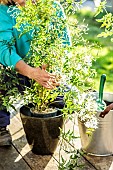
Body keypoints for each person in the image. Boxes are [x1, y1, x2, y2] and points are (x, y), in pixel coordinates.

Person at [0, 0, 71, 146]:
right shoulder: (4, 10)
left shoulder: (52, 6)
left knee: (64, 101)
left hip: (45, 73)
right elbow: (4, 49)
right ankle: (1, 126)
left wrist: (56, 71)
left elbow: (64, 45)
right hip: (15, 72)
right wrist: (31, 72)